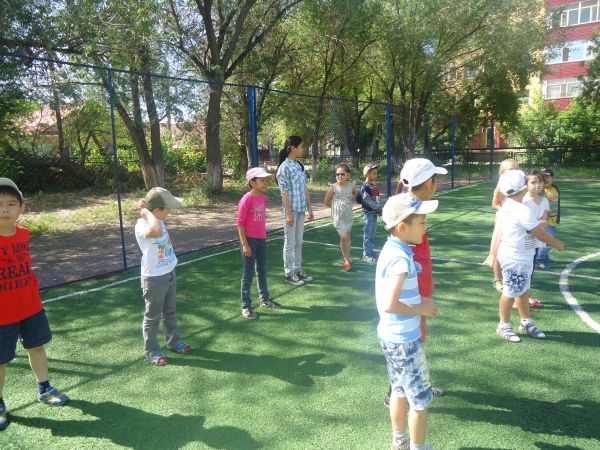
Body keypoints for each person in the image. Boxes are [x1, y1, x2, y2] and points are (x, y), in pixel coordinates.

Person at [0, 178, 69, 431]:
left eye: (11, 204)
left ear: (22, 207)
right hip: (2, 314)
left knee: (37, 347)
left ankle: (44, 388)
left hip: (30, 307)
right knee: (1, 361)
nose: (5, 209)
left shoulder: (24, 234)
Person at [376, 193, 439, 450]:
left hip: (391, 338)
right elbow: (390, 304)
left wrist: (419, 300)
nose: (425, 227)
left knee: (399, 389)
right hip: (405, 342)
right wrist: (421, 308)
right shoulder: (401, 260)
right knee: (420, 401)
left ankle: (399, 440)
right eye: (422, 222)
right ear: (403, 227)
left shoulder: (392, 249)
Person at [483, 170, 564, 343]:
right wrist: (557, 244)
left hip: (521, 255)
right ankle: (503, 325)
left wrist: (492, 254)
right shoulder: (522, 211)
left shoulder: (506, 206)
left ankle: (526, 321)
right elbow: (538, 233)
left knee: (524, 290)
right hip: (516, 258)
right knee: (511, 292)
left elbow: (498, 232)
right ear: (524, 187)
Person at [135, 187, 191, 365]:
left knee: (170, 312)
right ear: (158, 210)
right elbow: (156, 231)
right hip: (153, 279)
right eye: (167, 209)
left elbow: (156, 218)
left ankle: (173, 342)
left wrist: (147, 210)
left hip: (169, 273)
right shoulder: (143, 225)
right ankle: (152, 351)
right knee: (153, 317)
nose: (170, 212)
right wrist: (146, 212)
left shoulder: (158, 219)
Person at [237, 167, 281, 319]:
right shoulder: (246, 199)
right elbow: (240, 224)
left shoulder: (263, 198)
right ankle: (246, 306)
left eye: (266, 180)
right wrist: (245, 244)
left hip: (261, 239)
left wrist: (262, 237)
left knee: (261, 270)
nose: (266, 183)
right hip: (249, 240)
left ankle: (264, 299)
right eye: (262, 180)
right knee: (248, 274)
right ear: (252, 182)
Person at [276, 136, 314, 286]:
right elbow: (284, 192)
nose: (303, 149)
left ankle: (298, 270)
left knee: (299, 241)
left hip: (301, 209)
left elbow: (305, 187)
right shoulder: (284, 168)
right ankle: (289, 273)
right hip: (291, 211)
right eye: (301, 146)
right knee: (290, 243)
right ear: (293, 148)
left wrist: (309, 207)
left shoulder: (299, 166)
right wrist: (288, 214)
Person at [521, 170, 550, 308]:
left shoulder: (544, 200)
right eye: (533, 182)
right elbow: (522, 223)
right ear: (526, 184)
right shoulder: (522, 200)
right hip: (522, 239)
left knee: (530, 267)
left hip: (536, 238)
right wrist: (534, 224)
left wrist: (533, 224)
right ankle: (518, 298)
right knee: (522, 267)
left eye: (540, 182)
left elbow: (545, 221)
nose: (537, 185)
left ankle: (525, 296)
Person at [491, 159, 519, 293]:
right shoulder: (500, 185)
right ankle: (497, 280)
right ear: (502, 172)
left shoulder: (521, 183)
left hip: (518, 221)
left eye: (516, 168)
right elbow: (494, 204)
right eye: (510, 169)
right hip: (504, 220)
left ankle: (512, 275)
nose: (514, 171)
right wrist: (506, 211)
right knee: (498, 249)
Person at [324, 163, 357, 271]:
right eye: (337, 174)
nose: (339, 176)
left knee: (347, 237)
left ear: (348, 175)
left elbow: (354, 193)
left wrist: (349, 201)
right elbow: (326, 202)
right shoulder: (333, 188)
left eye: (342, 174)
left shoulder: (351, 185)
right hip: (337, 217)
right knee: (343, 237)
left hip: (348, 215)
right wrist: (336, 206)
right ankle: (346, 259)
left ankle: (347, 260)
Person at [536, 168, 560, 268]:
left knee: (548, 240)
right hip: (545, 221)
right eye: (543, 176)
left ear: (552, 178)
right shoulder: (541, 190)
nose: (545, 178)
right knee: (549, 240)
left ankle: (544, 256)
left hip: (552, 220)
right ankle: (539, 260)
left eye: (547, 176)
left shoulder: (554, 188)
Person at [359, 163, 382, 264]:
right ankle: (366, 254)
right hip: (368, 214)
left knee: (372, 234)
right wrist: (378, 209)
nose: (376, 175)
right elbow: (368, 201)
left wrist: (379, 208)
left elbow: (377, 199)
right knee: (367, 235)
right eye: (373, 173)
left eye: (376, 173)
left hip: (374, 214)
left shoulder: (374, 186)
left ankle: (371, 252)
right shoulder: (365, 187)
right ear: (367, 174)